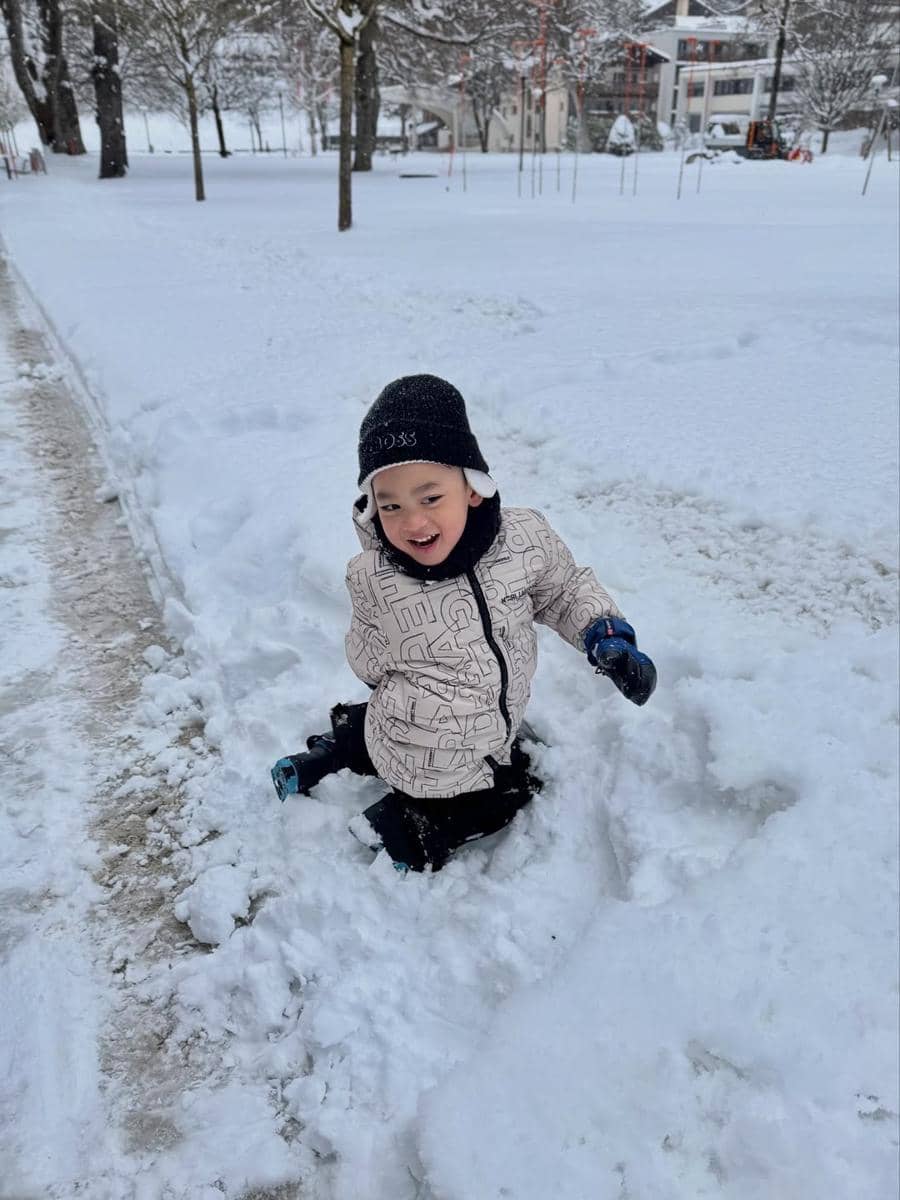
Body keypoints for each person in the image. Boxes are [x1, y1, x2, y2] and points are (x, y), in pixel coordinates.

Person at [272, 374, 657, 872]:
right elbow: (370, 660)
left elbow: (561, 590)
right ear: (373, 509)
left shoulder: (520, 542)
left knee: (385, 720)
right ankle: (405, 826)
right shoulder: (376, 576)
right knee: (517, 786)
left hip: (397, 726)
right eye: (391, 506)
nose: (413, 523)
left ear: (472, 487)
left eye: (430, 498)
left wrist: (603, 633)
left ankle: (329, 753)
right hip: (441, 763)